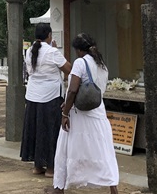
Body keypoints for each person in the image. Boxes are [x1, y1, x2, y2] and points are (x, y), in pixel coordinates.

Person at [51, 33, 119, 194]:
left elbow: (73, 89)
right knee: (103, 151)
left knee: (65, 149)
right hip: (97, 114)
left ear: (79, 50)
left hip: (79, 115)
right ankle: (113, 187)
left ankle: (59, 187)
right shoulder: (102, 65)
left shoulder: (80, 63)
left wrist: (65, 114)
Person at [21, 23, 71, 178]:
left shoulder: (30, 50)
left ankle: (37, 165)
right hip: (50, 96)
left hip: (33, 95)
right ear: (49, 35)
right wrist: (56, 50)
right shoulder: (52, 52)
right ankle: (50, 167)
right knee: (50, 131)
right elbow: (69, 69)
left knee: (36, 129)